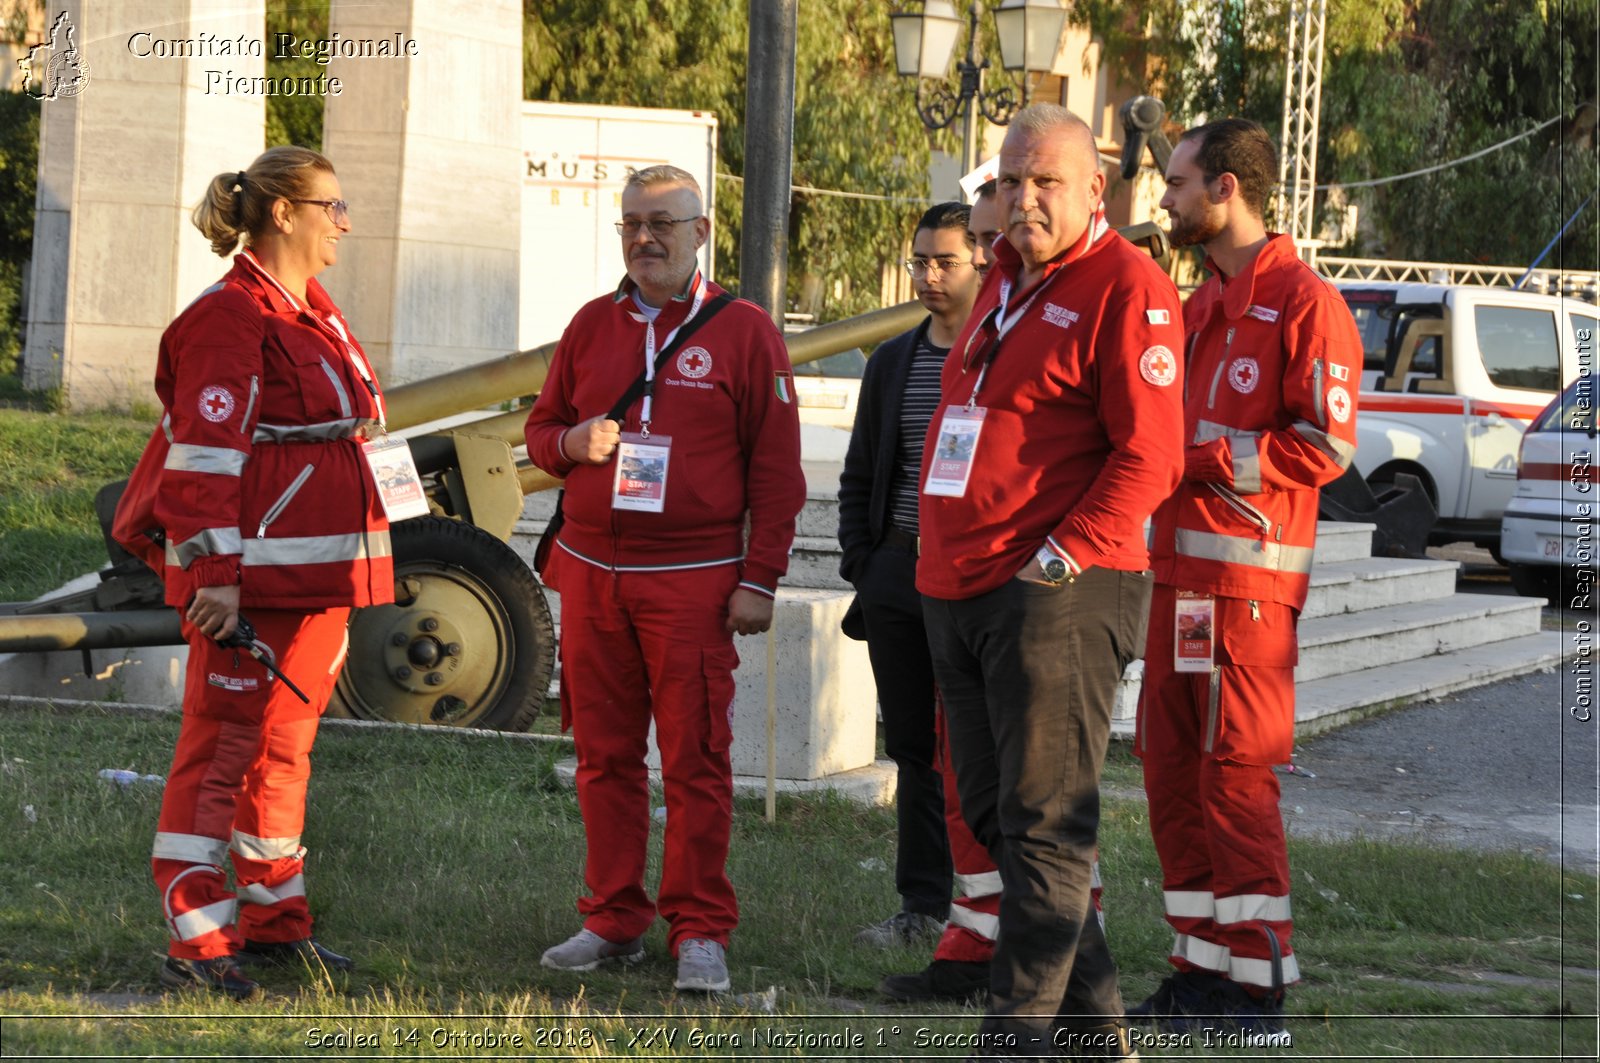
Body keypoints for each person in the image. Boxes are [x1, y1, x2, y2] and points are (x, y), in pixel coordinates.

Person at [917, 104, 1186, 1058]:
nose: (1024, 198)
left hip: (1059, 592)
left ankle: (1020, 1031)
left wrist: (1056, 560)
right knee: (999, 817)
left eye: (1047, 183)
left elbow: (1150, 454)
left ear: (1094, 193)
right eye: (1011, 179)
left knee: (1044, 825)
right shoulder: (1001, 279)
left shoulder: (1129, 285)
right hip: (960, 587)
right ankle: (1099, 1027)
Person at [113, 146, 392, 1000]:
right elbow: (200, 461)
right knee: (221, 749)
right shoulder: (232, 317)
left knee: (283, 753)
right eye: (331, 207)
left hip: (318, 580)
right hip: (252, 583)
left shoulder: (313, 310)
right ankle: (196, 936)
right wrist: (214, 578)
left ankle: (274, 923)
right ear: (284, 215)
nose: (343, 222)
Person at [524, 164, 805, 993]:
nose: (644, 238)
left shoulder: (745, 331)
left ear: (701, 232)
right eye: (631, 224)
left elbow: (778, 475)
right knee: (603, 757)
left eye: (663, 223)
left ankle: (700, 929)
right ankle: (613, 916)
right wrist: (571, 446)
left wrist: (761, 578)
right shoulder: (588, 325)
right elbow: (541, 431)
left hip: (694, 581)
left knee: (695, 760)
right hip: (594, 578)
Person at [1131, 117, 1362, 1044]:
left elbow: (1329, 444)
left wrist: (1206, 455)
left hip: (1247, 597)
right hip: (1173, 582)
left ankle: (1257, 985)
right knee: (1172, 777)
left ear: (1227, 189)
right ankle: (1199, 967)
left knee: (1234, 782)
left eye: (1180, 184)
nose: (1168, 199)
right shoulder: (1196, 308)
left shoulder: (1306, 301)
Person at [837, 202, 991, 995]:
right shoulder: (894, 360)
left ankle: (991, 911)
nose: (930, 277)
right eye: (920, 261)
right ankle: (922, 903)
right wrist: (866, 562)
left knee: (976, 751)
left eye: (947, 262)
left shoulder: (999, 353)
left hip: (976, 581)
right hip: (899, 576)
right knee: (914, 749)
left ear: (982, 264)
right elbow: (863, 467)